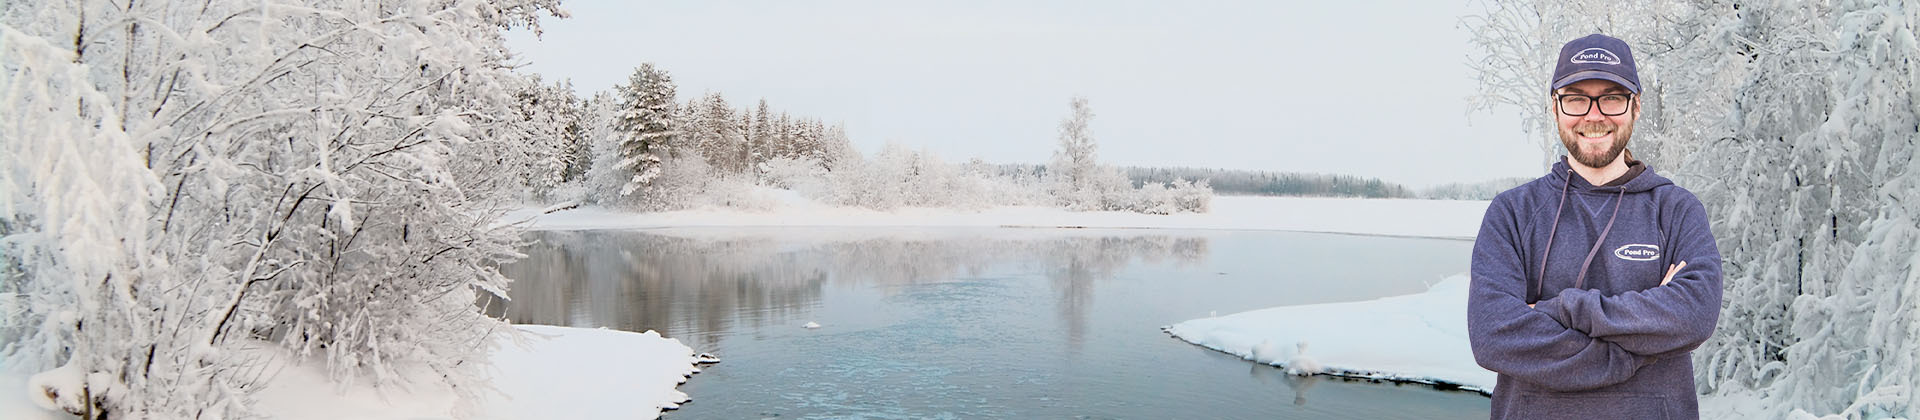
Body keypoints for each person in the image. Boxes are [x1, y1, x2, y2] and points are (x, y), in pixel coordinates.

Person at [1467, 33, 1724, 420]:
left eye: (1612, 97)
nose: (1594, 114)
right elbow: (1493, 336)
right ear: (1555, 108)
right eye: (1575, 98)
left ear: (1635, 107)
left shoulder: (1676, 210)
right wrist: (1633, 351)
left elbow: (1693, 315)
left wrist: (1562, 308)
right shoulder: (1513, 213)